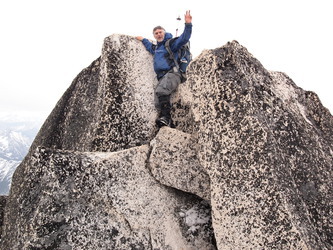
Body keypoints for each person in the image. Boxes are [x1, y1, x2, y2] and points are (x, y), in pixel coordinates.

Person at [136, 10, 192, 127]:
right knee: (157, 101)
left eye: (160, 32)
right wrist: (142, 39)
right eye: (156, 33)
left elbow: (184, 38)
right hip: (162, 77)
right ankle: (167, 122)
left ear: (164, 33)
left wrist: (188, 24)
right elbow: (149, 46)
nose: (158, 34)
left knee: (161, 91)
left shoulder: (171, 44)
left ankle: (166, 118)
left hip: (173, 74)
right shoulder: (156, 48)